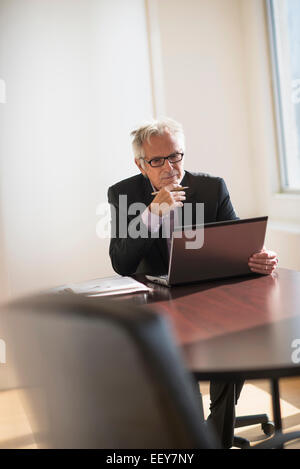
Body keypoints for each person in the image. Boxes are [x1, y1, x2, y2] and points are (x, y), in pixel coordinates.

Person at [107, 117, 278, 448]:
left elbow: (239, 243)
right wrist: (152, 214)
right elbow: (121, 263)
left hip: (210, 297)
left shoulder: (212, 187)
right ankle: (189, 429)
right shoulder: (124, 193)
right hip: (159, 302)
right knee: (175, 351)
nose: (170, 167)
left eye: (176, 156)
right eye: (158, 160)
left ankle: (216, 433)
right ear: (141, 164)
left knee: (235, 337)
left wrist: (260, 257)